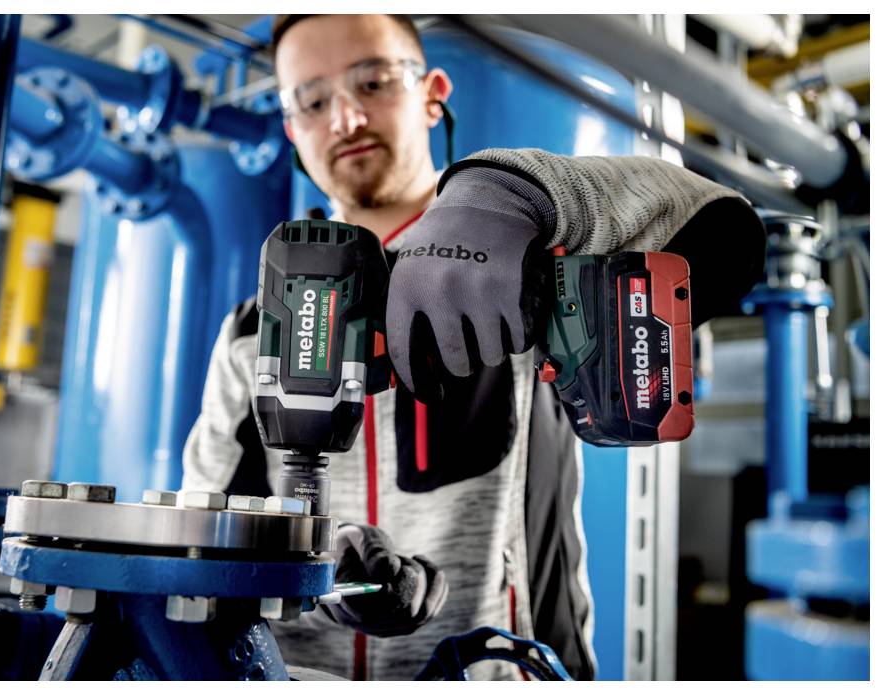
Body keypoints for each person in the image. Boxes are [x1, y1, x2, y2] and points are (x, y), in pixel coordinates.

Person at [183, 14, 764, 680]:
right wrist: (306, 578)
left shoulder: (522, 265)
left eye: (371, 81)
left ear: (432, 94)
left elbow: (719, 229)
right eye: (312, 100)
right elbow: (203, 548)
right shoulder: (252, 331)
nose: (344, 117)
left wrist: (513, 192)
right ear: (291, 128)